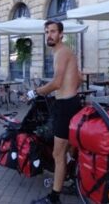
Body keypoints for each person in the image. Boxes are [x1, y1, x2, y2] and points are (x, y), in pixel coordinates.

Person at [28, 20, 82, 204]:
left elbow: (56, 83)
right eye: (47, 32)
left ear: (61, 34)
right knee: (70, 148)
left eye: (53, 31)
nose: (49, 35)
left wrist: (35, 92)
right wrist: (71, 89)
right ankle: (74, 179)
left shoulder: (60, 52)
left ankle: (54, 198)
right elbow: (80, 77)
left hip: (65, 106)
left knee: (58, 154)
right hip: (72, 103)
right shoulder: (67, 52)